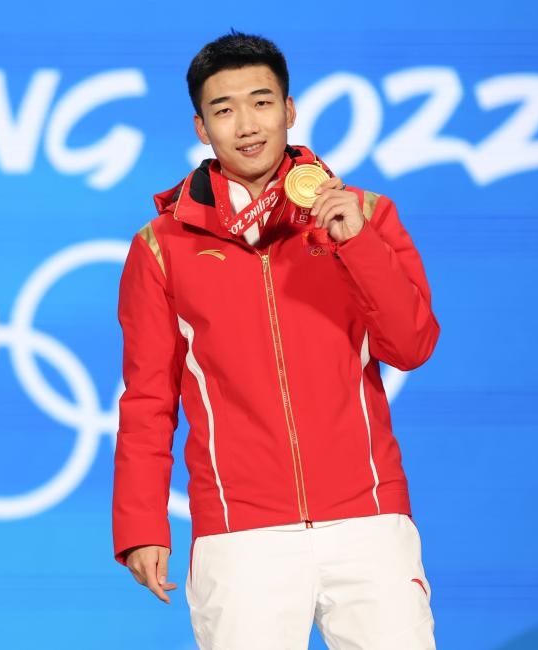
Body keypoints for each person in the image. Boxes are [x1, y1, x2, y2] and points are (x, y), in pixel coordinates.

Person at [112, 31, 440, 649]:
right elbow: (148, 397)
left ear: (289, 110)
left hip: (368, 520)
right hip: (240, 534)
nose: (247, 125)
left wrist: (356, 245)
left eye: (262, 103)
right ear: (201, 127)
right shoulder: (162, 247)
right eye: (224, 109)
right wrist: (141, 524)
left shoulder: (364, 214)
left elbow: (412, 345)